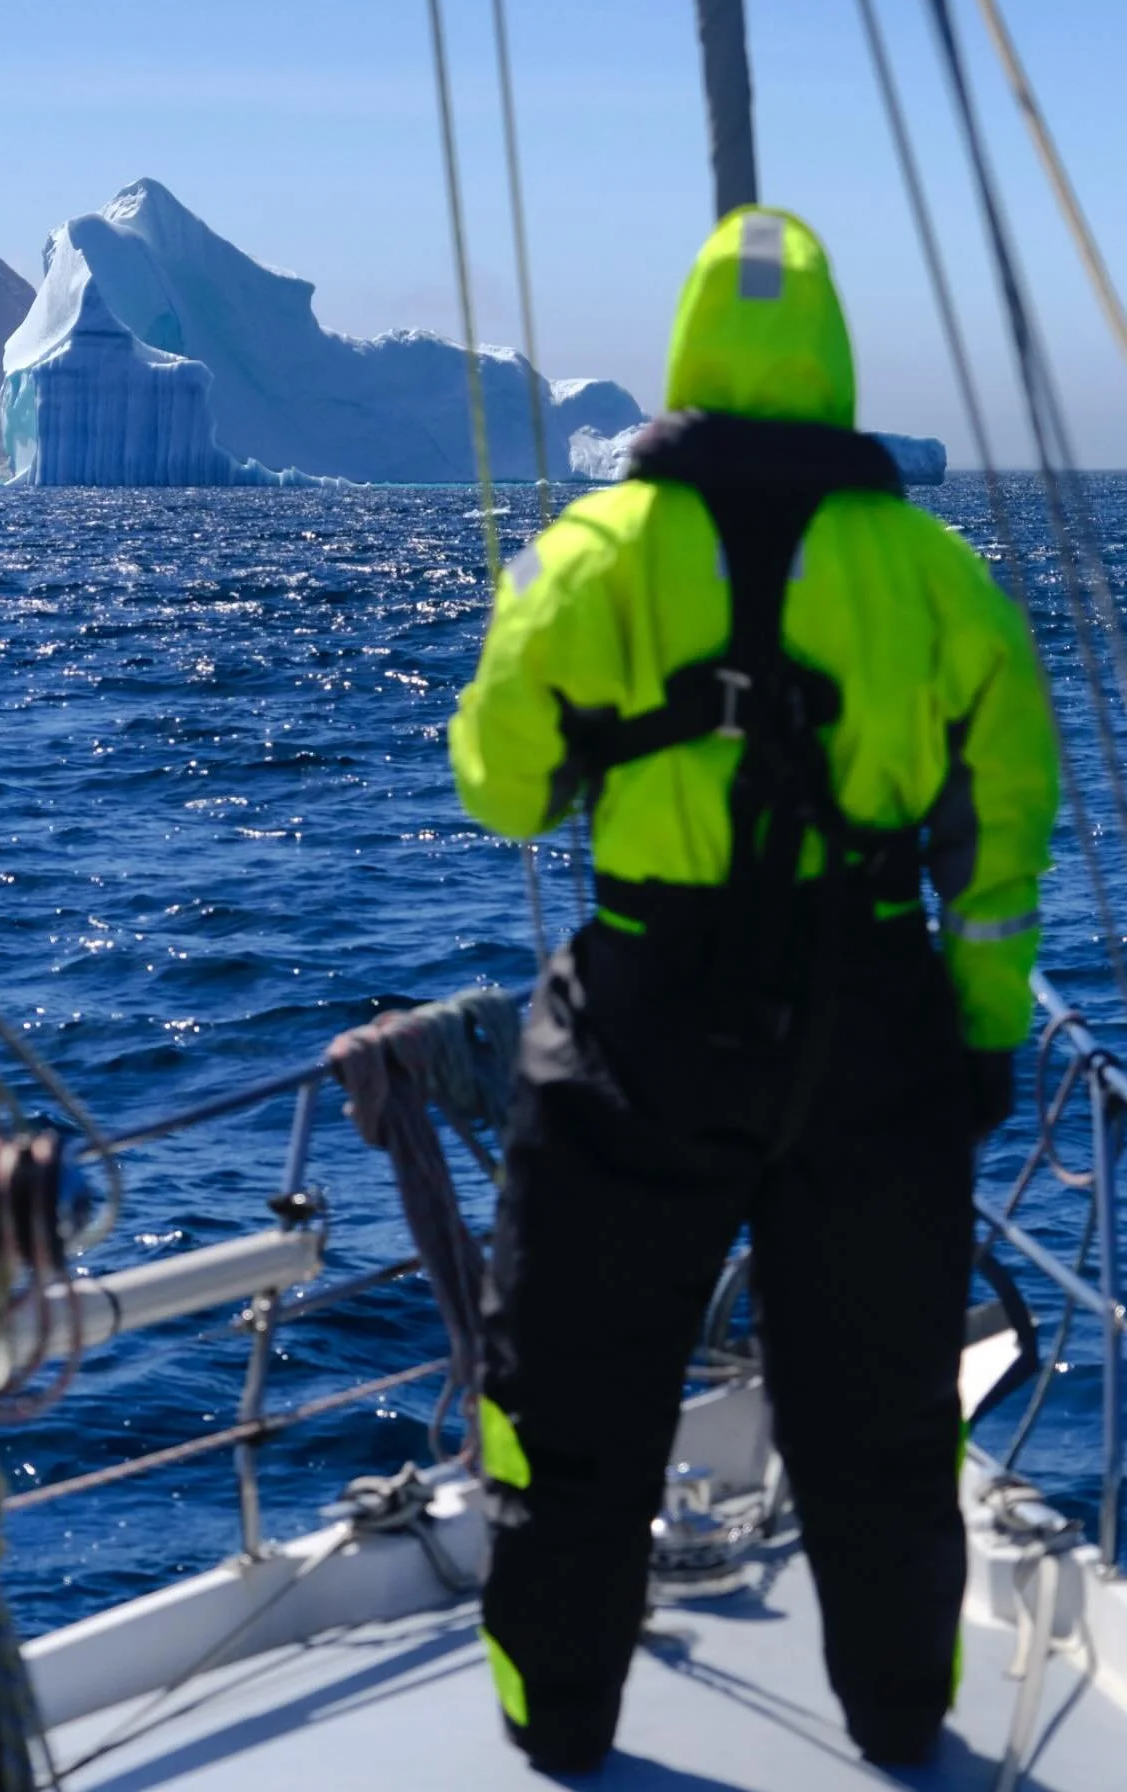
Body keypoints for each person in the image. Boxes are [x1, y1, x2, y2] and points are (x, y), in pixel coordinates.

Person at [448, 206, 1058, 1776]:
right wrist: (981, 1039)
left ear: (692, 350)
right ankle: (898, 1721)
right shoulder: (940, 577)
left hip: (645, 1018)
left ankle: (562, 1726)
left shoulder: (590, 556)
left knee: (570, 1405)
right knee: (881, 1417)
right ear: (836, 360)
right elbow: (1001, 832)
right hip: (874, 1027)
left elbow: (502, 790)